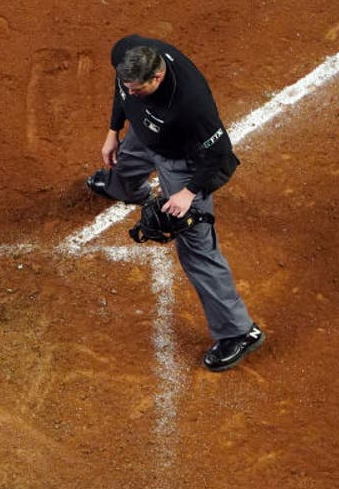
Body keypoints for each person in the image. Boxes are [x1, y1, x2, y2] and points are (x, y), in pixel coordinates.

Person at [85, 36, 264, 372]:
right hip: (147, 132)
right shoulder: (128, 55)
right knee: (124, 158)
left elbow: (221, 156)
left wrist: (188, 192)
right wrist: (113, 130)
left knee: (195, 247)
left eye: (137, 89)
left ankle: (239, 331)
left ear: (157, 78)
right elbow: (123, 90)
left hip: (185, 161)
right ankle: (126, 188)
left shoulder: (191, 106)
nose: (130, 92)